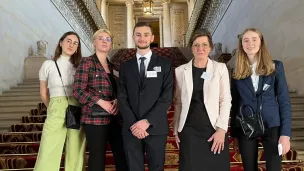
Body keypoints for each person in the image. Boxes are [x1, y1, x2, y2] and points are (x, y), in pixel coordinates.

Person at [230, 28, 292, 171]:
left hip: (272, 125)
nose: (250, 43)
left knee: (274, 167)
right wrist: (234, 134)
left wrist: (285, 134)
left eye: (254, 39)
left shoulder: (276, 66)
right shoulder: (236, 72)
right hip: (247, 126)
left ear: (261, 42)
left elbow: (284, 101)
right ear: (241, 45)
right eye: (246, 40)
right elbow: (235, 104)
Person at [118, 21, 174, 171]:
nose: (142, 38)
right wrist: (134, 124)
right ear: (133, 37)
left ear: (152, 37)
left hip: (156, 127)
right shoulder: (125, 66)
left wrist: (147, 121)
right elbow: (122, 98)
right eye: (138, 35)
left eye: (146, 35)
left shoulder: (165, 64)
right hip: (131, 128)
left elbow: (167, 96)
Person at [173, 29, 231, 171]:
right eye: (196, 45)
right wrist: (176, 129)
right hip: (189, 130)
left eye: (204, 44)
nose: (200, 48)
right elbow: (178, 102)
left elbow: (225, 100)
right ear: (191, 48)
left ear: (210, 47)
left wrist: (222, 129)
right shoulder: (180, 71)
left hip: (213, 128)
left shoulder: (220, 68)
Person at [73, 29, 128, 171]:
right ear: (94, 43)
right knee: (97, 157)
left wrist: (117, 100)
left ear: (111, 44)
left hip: (116, 117)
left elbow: (120, 89)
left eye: (108, 39)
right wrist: (100, 101)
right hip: (94, 119)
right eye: (101, 38)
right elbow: (78, 91)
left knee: (122, 155)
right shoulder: (86, 62)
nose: (104, 41)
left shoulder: (115, 67)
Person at [35, 31, 86, 171]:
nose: (71, 45)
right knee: (49, 145)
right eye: (68, 41)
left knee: (76, 145)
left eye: (75, 43)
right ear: (61, 42)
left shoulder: (81, 65)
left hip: (77, 105)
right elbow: (43, 92)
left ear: (78, 48)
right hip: (56, 104)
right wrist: (52, 106)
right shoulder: (48, 64)